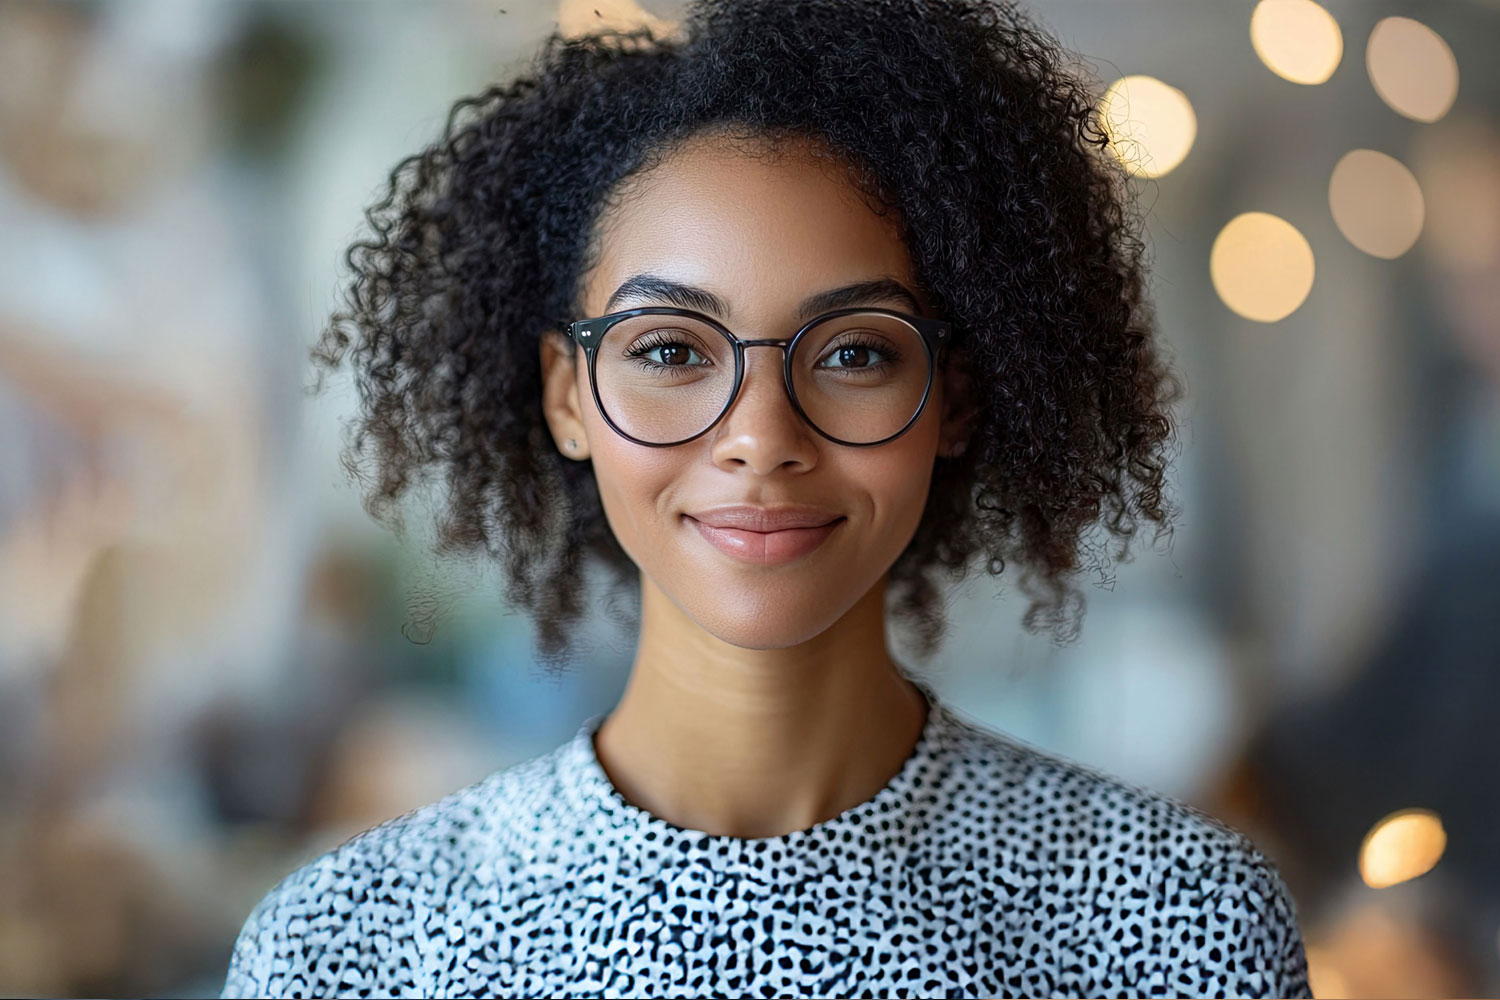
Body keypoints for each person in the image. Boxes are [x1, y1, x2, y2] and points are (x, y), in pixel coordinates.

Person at [221, 0, 1312, 995]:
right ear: (566, 394)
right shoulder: (346, 951)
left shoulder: (1178, 930)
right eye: (668, 348)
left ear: (957, 401)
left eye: (853, 353)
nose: (760, 437)